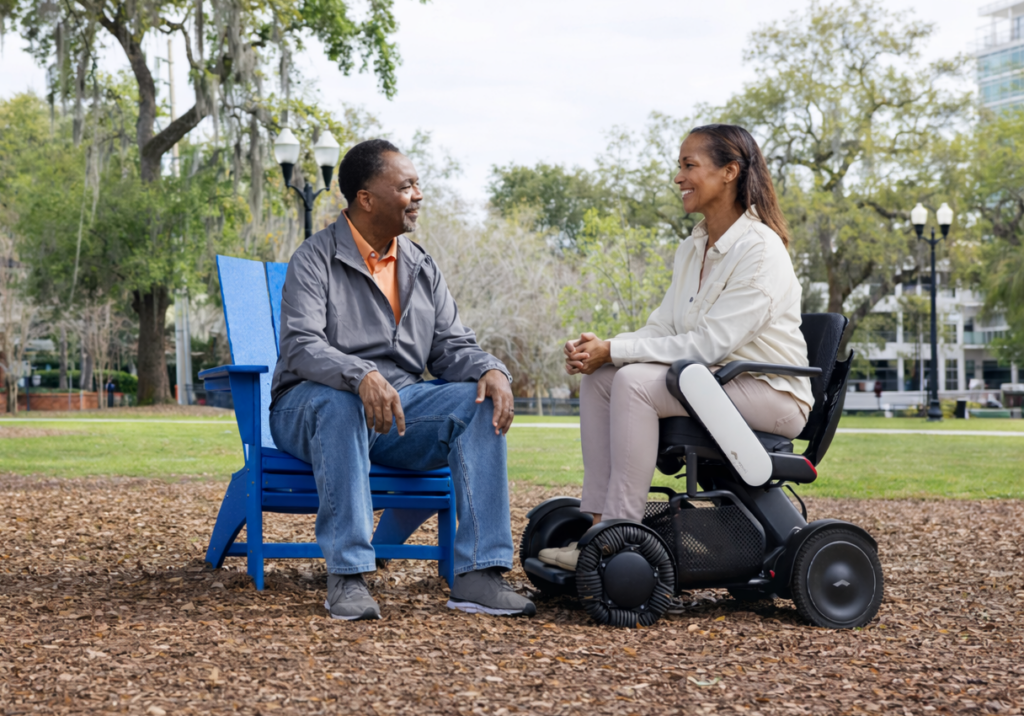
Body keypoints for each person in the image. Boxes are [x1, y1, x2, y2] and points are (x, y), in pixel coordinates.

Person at [270, 139, 535, 620]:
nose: (418, 194)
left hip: (399, 407)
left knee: (477, 404)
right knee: (341, 402)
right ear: (366, 197)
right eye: (407, 185)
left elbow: (452, 345)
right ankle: (346, 576)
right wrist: (359, 374)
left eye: (418, 184)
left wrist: (490, 368)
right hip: (310, 405)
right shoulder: (314, 259)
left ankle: (477, 574)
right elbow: (301, 346)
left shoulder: (419, 265)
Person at [542, 124, 813, 572]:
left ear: (729, 172)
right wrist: (604, 350)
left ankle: (618, 538)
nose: (678, 177)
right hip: (711, 385)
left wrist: (616, 351)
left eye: (690, 166)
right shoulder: (693, 248)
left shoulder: (760, 250)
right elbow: (664, 326)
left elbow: (709, 344)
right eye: (679, 166)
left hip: (771, 394)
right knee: (604, 378)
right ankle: (596, 528)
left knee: (633, 381)